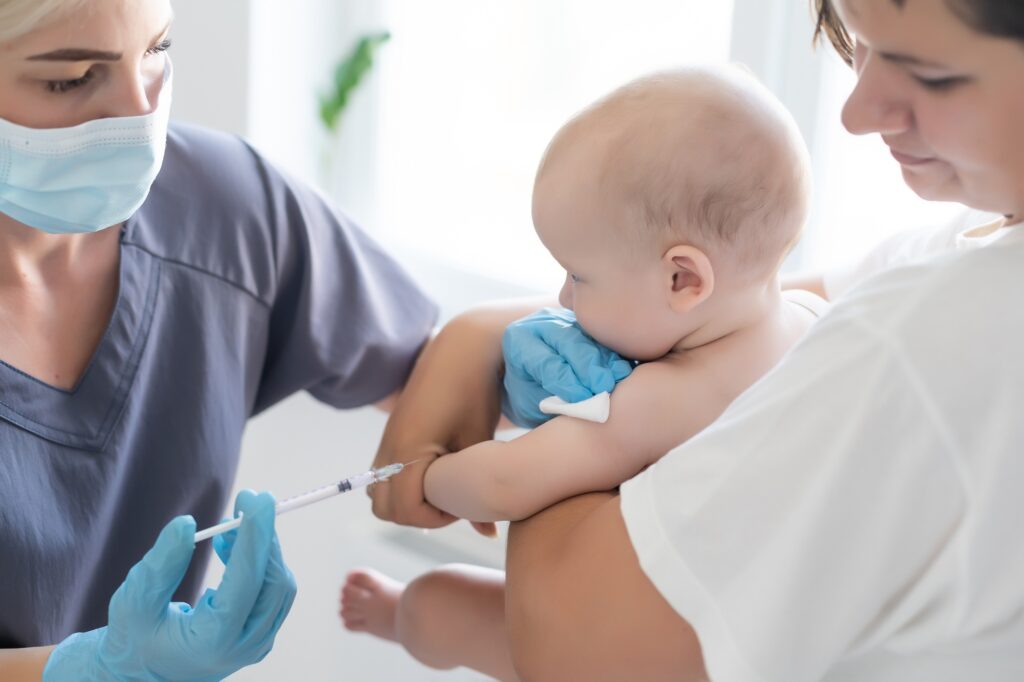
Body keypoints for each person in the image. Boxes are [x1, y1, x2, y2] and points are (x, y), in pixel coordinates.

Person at [371, 0, 1024, 679]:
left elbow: (577, 638)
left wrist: (432, 477)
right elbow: (689, 304)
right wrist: (477, 336)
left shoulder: (945, 328)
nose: (855, 113)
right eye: (860, 44)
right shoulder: (852, 293)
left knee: (437, 608)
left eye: (931, 73)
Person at [0, 0, 602, 679]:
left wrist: (482, 343)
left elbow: (429, 379)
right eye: (72, 78)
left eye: (156, 50)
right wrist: (89, 670)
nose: (140, 113)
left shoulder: (218, 207)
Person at [340, 66, 827, 680]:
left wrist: (430, 478)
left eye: (579, 276)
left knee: (439, 606)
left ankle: (397, 614)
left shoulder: (670, 396)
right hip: (747, 627)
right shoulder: (814, 321)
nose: (563, 298)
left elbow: (508, 483)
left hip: (643, 657)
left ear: (683, 280)